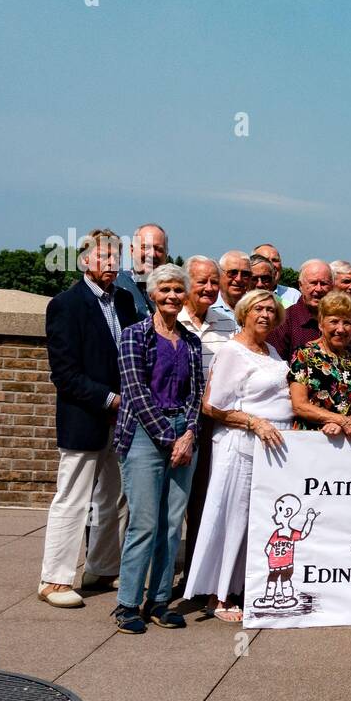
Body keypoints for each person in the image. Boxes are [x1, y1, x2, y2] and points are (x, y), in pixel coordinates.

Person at [37, 229, 142, 609]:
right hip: (85, 416)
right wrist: (111, 399)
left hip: (123, 418)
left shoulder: (127, 301)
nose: (111, 264)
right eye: (103, 258)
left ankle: (102, 567)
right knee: (72, 499)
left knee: (114, 498)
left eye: (116, 258)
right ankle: (54, 579)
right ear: (84, 261)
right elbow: (64, 374)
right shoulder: (66, 304)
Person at [184, 289, 293, 622]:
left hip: (271, 450)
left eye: (271, 310)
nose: (265, 315)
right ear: (244, 312)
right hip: (240, 445)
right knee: (230, 515)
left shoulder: (272, 351)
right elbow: (212, 405)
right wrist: (254, 422)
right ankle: (218, 595)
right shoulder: (232, 351)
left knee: (255, 521)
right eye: (258, 309)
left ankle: (243, 586)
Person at [111, 263, 204, 634]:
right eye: (164, 289)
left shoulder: (192, 342)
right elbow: (135, 391)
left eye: (178, 290)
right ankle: (128, 604)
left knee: (170, 525)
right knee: (145, 523)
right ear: (152, 294)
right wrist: (170, 438)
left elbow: (197, 393)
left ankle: (160, 600)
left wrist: (190, 433)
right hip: (143, 436)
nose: (171, 296)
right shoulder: (134, 336)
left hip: (185, 435)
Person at [177, 255, 238, 585]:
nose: (210, 288)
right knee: (172, 506)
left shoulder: (227, 323)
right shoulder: (172, 317)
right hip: (178, 424)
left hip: (213, 423)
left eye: (215, 282)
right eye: (202, 281)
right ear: (187, 283)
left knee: (203, 504)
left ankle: (196, 579)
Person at [287, 291, 351, 437]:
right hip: (312, 439)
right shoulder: (304, 354)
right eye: (334, 321)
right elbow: (299, 405)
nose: (340, 329)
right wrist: (340, 421)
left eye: (347, 322)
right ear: (321, 324)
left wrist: (346, 424)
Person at [267, 259, 333, 362]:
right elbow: (275, 367)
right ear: (300, 285)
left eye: (324, 284)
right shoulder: (283, 322)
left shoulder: (343, 321)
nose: (319, 289)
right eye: (313, 283)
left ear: (332, 286)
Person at [114, 222, 166, 319]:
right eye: (145, 247)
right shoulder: (115, 283)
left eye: (159, 249)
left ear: (166, 254)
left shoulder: (176, 291)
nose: (152, 254)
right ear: (132, 250)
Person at [254, 242, 300, 307]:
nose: (272, 265)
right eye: (265, 260)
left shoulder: (293, 296)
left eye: (275, 260)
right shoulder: (240, 297)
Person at [210, 250, 251, 323]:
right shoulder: (207, 307)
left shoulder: (257, 308)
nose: (239, 279)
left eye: (245, 274)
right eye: (233, 273)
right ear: (219, 274)